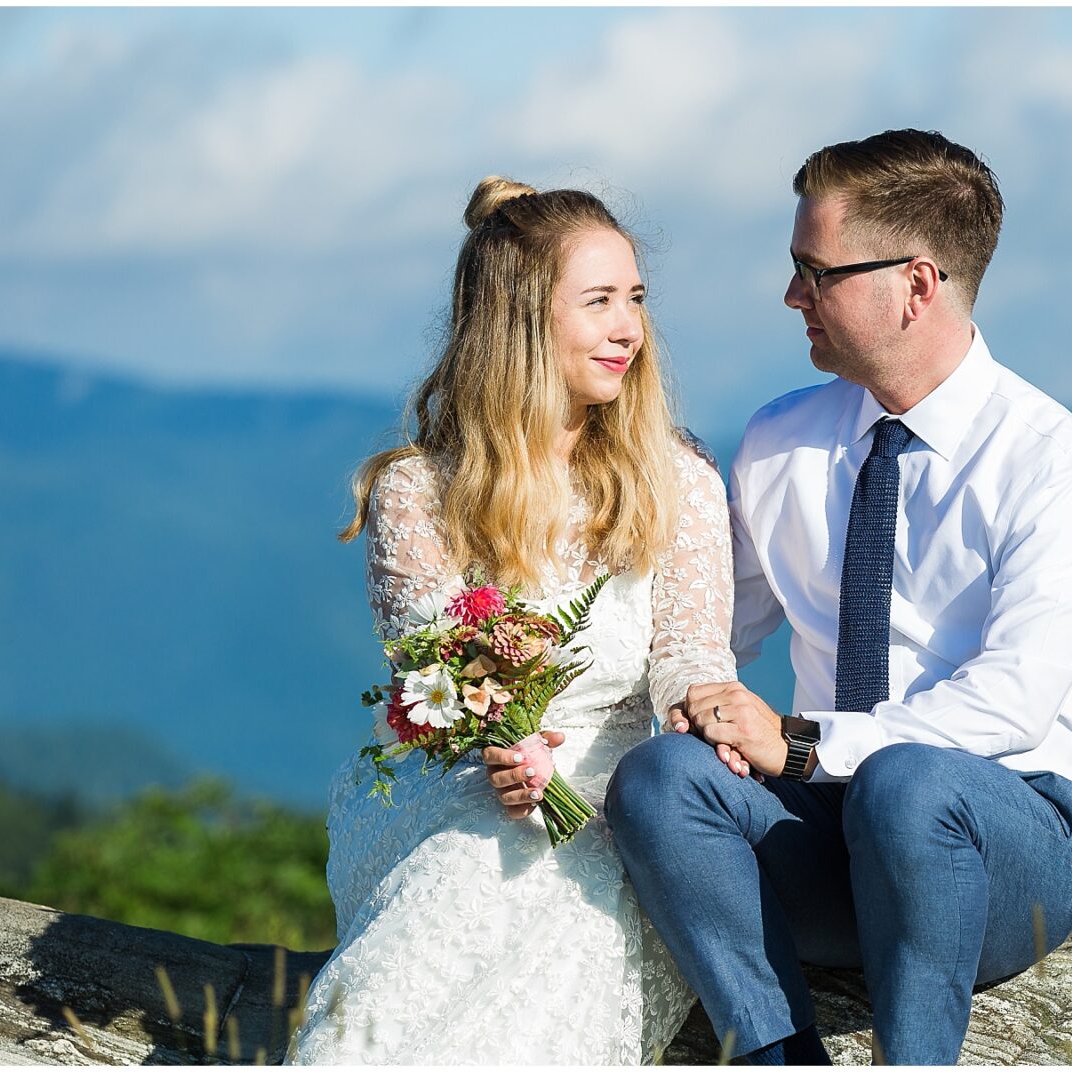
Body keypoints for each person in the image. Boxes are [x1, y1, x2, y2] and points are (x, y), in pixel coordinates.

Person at [605, 129, 1072, 1065]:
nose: (792, 294)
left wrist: (802, 744)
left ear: (916, 284)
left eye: (816, 271)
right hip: (828, 830)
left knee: (909, 781)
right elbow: (704, 631)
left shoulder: (1051, 458)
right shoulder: (779, 440)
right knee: (658, 780)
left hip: (1008, 846)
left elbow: (1015, 701)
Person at [286, 177, 743, 1064]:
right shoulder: (418, 491)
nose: (630, 330)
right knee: (465, 890)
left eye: (637, 300)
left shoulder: (678, 479)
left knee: (572, 922)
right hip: (465, 788)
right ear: (521, 317)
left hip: (621, 803)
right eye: (600, 302)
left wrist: (708, 710)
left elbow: (691, 651)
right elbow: (440, 682)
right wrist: (499, 753)